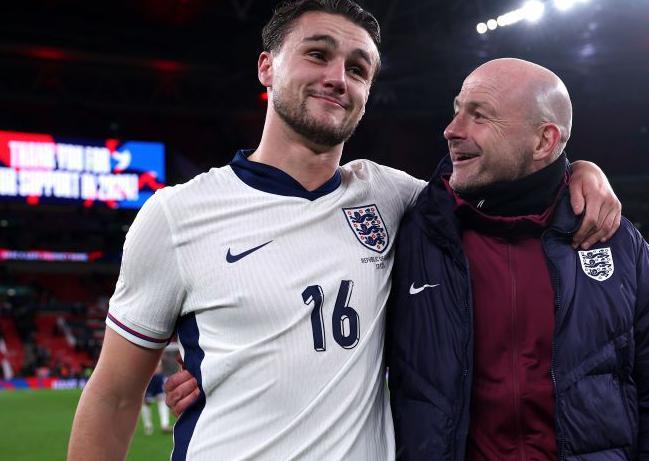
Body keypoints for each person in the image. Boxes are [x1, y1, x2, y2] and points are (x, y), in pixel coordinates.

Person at [68, 1, 620, 460]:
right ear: (267, 67)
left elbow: (509, 176)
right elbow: (115, 397)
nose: (338, 77)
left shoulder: (392, 197)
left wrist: (580, 170)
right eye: (317, 54)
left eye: (358, 69)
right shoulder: (176, 216)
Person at [386, 59, 649, 459]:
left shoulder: (618, 244)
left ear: (543, 142)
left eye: (479, 115)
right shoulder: (409, 230)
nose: (451, 130)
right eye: (456, 111)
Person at [140, 362, 171, 435]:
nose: (158, 368)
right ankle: (148, 426)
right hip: (148, 384)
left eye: (159, 367)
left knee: (163, 401)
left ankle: (165, 425)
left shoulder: (161, 377)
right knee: (145, 404)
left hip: (157, 385)